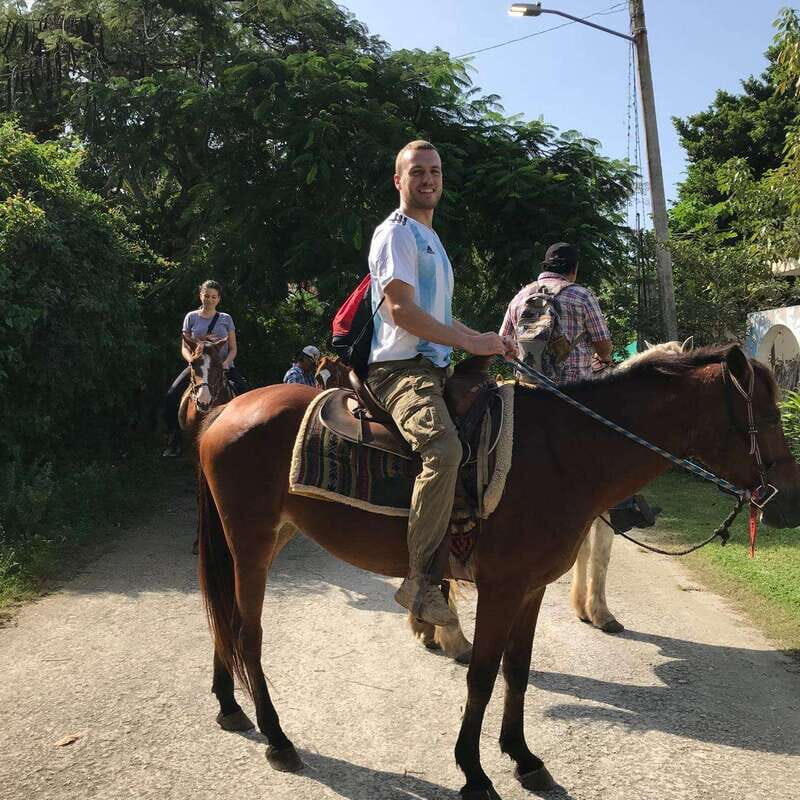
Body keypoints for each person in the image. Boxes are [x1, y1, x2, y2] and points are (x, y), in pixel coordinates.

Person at [365, 139, 515, 626]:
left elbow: (440, 320)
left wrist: (486, 339)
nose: (428, 179)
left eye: (434, 171)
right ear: (399, 180)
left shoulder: (432, 239)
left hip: (434, 367)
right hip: (399, 369)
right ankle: (422, 583)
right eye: (417, 172)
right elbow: (402, 312)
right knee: (444, 451)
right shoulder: (397, 234)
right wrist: (470, 344)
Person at [499, 242, 657, 530]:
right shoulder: (581, 295)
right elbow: (604, 345)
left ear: (545, 267)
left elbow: (503, 342)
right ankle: (621, 509)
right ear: (574, 270)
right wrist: (603, 358)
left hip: (529, 398)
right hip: (575, 400)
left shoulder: (521, 296)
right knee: (613, 439)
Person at [162, 280, 246, 457]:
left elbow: (233, 348)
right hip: (198, 366)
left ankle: (244, 439)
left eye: (213, 297)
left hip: (222, 366)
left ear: (219, 299)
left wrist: (225, 363)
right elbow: (185, 346)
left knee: (245, 393)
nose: (209, 299)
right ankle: (174, 438)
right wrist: (191, 360)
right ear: (200, 295)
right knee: (171, 397)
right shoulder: (191, 317)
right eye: (206, 295)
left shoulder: (226, 319)